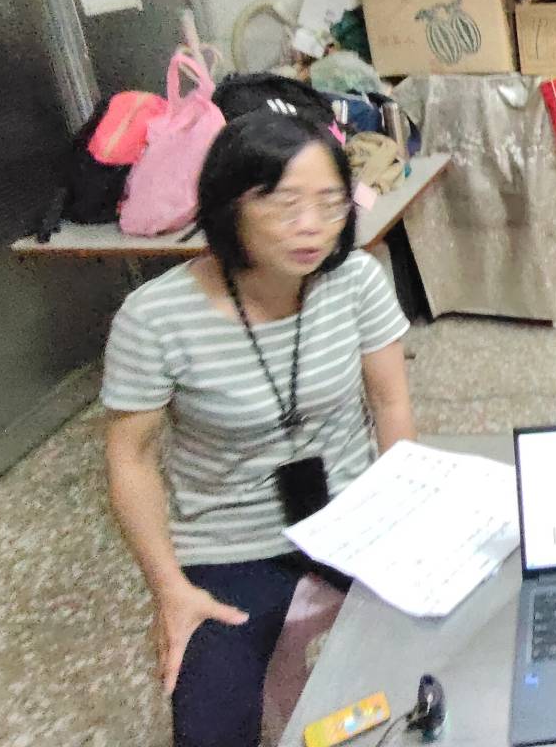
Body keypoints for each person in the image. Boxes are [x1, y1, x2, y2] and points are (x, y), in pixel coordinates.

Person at [102, 111, 414, 747]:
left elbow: (389, 402)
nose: (312, 226)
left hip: (351, 516)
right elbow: (129, 460)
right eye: (282, 203)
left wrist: (401, 512)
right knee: (211, 729)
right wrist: (169, 589)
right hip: (228, 541)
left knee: (451, 659)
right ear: (228, 205)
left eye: (330, 203)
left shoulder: (354, 279)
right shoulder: (155, 317)